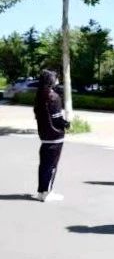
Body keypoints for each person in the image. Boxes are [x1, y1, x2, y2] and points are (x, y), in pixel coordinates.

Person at [34, 70, 70, 202]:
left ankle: (41, 191)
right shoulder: (53, 96)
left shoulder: (39, 96)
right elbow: (57, 118)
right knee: (52, 165)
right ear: (51, 80)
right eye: (56, 78)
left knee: (44, 165)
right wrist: (66, 123)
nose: (57, 80)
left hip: (44, 135)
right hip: (55, 135)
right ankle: (47, 192)